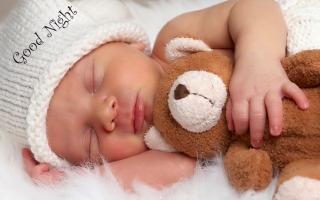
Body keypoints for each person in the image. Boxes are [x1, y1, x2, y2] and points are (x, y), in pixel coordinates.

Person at [1, 0, 315, 190]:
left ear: (128, 43)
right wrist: (62, 182)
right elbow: (181, 169)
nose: (104, 113)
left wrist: (257, 61)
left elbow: (253, 8)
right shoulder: (166, 146)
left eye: (94, 82)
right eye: (89, 137)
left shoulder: (173, 44)